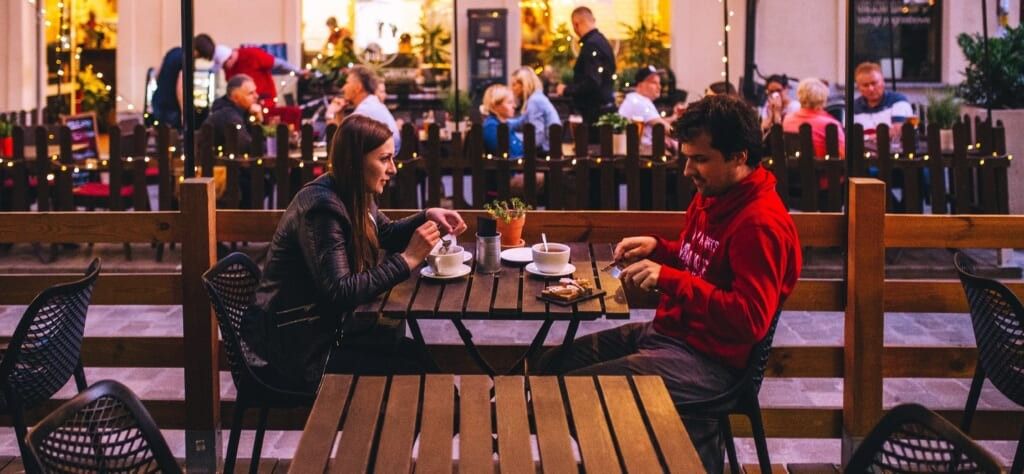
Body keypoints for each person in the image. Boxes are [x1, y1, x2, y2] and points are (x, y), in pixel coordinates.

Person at [540, 94, 802, 472]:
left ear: (739, 157)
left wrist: (670, 278)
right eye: (686, 157)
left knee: (577, 394)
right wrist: (660, 249)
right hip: (671, 335)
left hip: (713, 363)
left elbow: (750, 319)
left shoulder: (760, 223)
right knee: (552, 365)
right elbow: (703, 260)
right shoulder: (713, 194)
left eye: (700, 159)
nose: (687, 170)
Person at [249, 115, 467, 390]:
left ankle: (458, 414)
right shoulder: (322, 209)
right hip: (301, 352)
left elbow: (385, 232)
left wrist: (426, 215)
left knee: (416, 356)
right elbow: (341, 290)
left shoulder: (351, 191)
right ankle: (461, 414)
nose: (393, 169)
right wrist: (409, 259)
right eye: (384, 159)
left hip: (323, 333)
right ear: (355, 161)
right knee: (414, 373)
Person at [555, 7, 616, 132]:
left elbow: (592, 82)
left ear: (576, 24)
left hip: (593, 114)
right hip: (604, 110)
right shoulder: (603, 42)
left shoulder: (591, 45)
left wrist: (566, 90)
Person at [783, 77, 846, 191]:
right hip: (825, 185)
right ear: (824, 98)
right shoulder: (831, 124)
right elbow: (844, 156)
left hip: (793, 183)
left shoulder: (787, 119)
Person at [327, 66, 402, 153]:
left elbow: (338, 148)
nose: (343, 88)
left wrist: (330, 114)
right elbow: (344, 138)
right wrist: (339, 114)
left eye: (347, 83)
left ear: (358, 88)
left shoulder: (363, 113)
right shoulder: (373, 105)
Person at [150, 34, 216, 129]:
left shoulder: (173, 51)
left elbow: (157, 73)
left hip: (158, 100)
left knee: (162, 133)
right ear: (198, 52)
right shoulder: (187, 60)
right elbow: (181, 87)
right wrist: (184, 112)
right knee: (174, 135)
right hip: (172, 106)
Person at [215, 45, 305, 107]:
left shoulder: (251, 54)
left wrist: (299, 72)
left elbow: (278, 64)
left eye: (224, 65)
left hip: (265, 103)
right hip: (244, 107)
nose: (224, 69)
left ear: (229, 58)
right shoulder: (229, 69)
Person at [617, 65, 676, 148]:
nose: (659, 87)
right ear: (640, 85)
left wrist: (675, 116)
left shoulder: (635, 99)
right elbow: (666, 128)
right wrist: (686, 135)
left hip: (638, 150)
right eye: (654, 83)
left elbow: (655, 121)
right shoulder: (638, 102)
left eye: (659, 83)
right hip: (642, 152)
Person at [206, 74, 263, 155]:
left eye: (255, 92)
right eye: (250, 93)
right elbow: (245, 147)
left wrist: (256, 120)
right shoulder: (228, 115)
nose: (256, 96)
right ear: (235, 97)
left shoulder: (244, 113)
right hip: (216, 162)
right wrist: (256, 123)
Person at [510, 67, 561, 153]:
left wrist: (513, 138)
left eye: (514, 84)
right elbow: (521, 122)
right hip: (549, 150)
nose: (512, 88)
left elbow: (537, 137)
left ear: (524, 84)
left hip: (545, 152)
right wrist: (501, 122)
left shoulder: (535, 101)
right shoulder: (536, 98)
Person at [853, 61, 913, 135]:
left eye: (874, 83)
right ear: (858, 87)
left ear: (883, 82)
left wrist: (867, 137)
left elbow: (899, 131)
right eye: (865, 85)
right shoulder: (853, 107)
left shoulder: (898, 100)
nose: (871, 88)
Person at [481, 84, 525, 158]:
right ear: (495, 105)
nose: (514, 106)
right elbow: (508, 158)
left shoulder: (505, 124)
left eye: (513, 102)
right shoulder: (491, 127)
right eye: (509, 102)